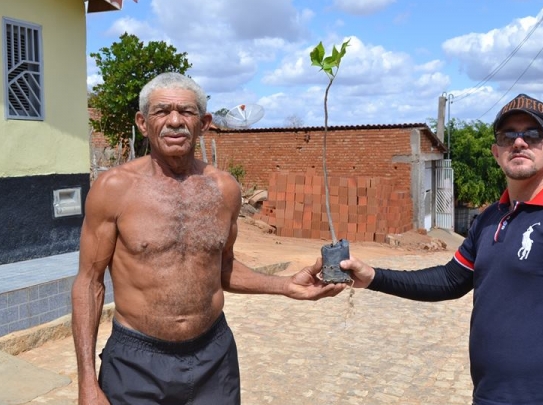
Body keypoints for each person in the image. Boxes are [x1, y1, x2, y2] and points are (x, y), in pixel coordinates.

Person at [71, 72, 346, 405]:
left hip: (213, 358)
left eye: (186, 112)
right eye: (162, 111)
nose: (175, 121)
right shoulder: (114, 189)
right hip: (135, 360)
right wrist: (87, 380)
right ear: (143, 122)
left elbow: (222, 267)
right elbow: (90, 282)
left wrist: (285, 285)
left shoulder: (225, 189)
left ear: (203, 122)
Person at [341, 93, 543, 405]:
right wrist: (372, 277)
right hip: (489, 397)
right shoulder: (491, 218)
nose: (519, 143)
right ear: (496, 151)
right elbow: (451, 280)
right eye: (507, 136)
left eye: (532, 134)